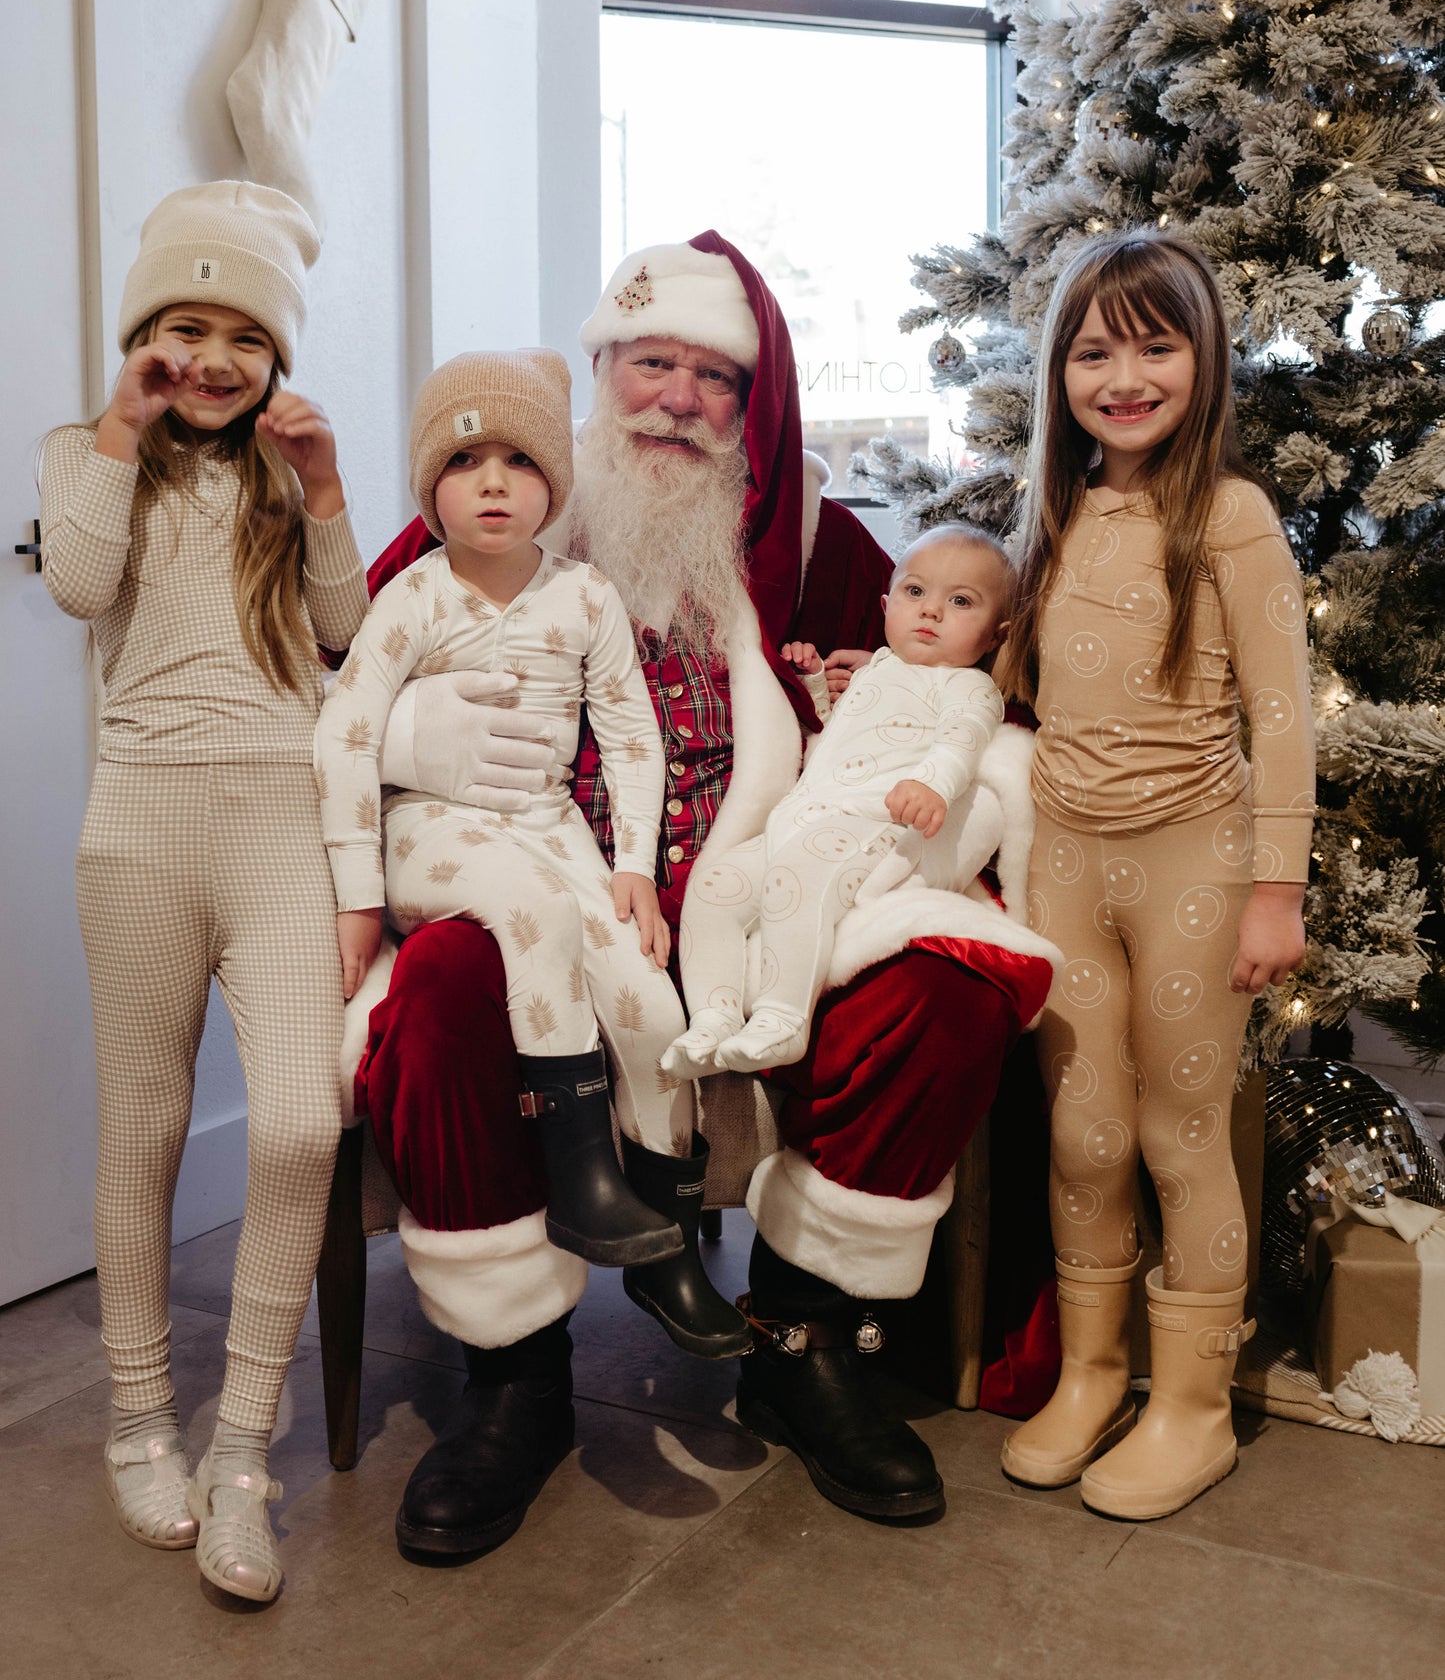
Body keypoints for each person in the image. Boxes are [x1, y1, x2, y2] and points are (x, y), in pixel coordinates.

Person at [344, 233, 1057, 1557]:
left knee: (946, 986)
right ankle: (516, 1372)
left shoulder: (824, 545)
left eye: (709, 378)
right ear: (599, 375)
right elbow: (346, 679)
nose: (674, 398)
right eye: (647, 363)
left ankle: (802, 1336)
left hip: (778, 891)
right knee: (443, 987)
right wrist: (407, 741)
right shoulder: (491, 514)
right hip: (534, 888)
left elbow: (953, 683)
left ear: (752, 405)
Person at [38, 182, 368, 1603]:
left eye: (245, 333)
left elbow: (351, 634)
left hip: (281, 819)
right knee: (150, 1119)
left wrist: (335, 484)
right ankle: (135, 1414)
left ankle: (243, 1446)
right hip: (142, 825)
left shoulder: (288, 477)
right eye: (186, 325)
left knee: (300, 1119)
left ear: (278, 354)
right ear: (143, 338)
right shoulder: (87, 452)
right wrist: (118, 425)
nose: (215, 357)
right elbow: (81, 583)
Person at [315, 348, 745, 1348]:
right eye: (466, 463)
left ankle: (663, 1239)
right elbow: (341, 730)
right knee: (532, 914)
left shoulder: (583, 596)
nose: (494, 481)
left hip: (547, 827)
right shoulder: (412, 597)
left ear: (557, 480)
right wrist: (354, 893)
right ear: (432, 488)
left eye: (518, 458)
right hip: (431, 829)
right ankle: (581, 1181)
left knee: (647, 998)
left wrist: (632, 863)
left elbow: (632, 730)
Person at [997, 230, 1314, 1520]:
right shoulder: (1058, 511)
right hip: (1064, 855)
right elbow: (1025, 689)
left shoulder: (1228, 516)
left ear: (1203, 360)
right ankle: (1094, 1372)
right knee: (1083, 1131)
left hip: (1196, 852)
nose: (1120, 376)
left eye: (1152, 345)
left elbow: (1283, 712)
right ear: (1059, 371)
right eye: (1091, 350)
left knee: (1183, 1137)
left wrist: (1275, 889)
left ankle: (1192, 1407)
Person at [664, 525, 1016, 1077]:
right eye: (916, 592)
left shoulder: (968, 687)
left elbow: (961, 741)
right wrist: (814, 688)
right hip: (800, 818)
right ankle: (712, 1015)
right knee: (713, 887)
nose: (932, 613)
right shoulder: (875, 668)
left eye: (961, 602)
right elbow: (833, 739)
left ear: (996, 636)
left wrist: (932, 785)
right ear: (886, 603)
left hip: (872, 825)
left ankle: (782, 1020)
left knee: (798, 881)